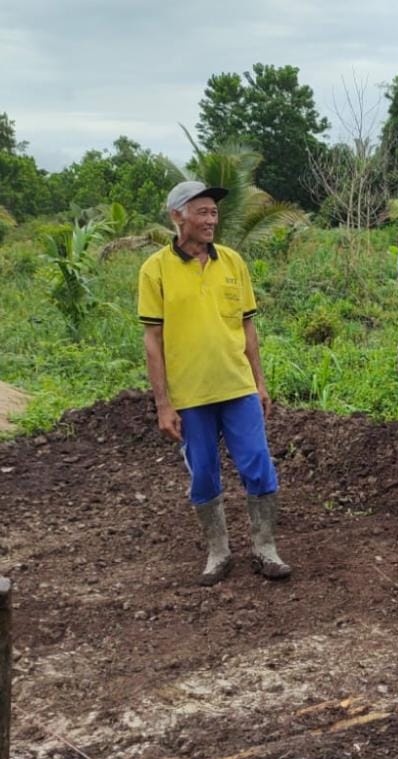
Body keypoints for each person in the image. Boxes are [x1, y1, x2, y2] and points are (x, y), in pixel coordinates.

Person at [138, 181, 290, 585]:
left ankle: (265, 547)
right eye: (201, 212)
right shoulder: (155, 270)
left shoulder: (232, 262)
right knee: (203, 473)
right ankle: (218, 551)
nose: (210, 220)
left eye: (214, 213)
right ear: (177, 216)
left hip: (237, 387)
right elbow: (153, 341)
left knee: (258, 464)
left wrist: (259, 382)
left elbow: (248, 327)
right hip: (191, 396)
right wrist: (163, 404)